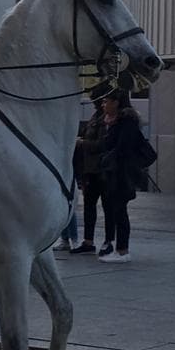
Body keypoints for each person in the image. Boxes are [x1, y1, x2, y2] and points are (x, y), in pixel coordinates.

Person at [97, 88, 146, 264]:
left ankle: (122, 250)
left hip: (122, 172)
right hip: (116, 172)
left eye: (106, 101)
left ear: (116, 102)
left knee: (119, 211)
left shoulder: (126, 121)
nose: (103, 105)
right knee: (116, 210)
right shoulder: (115, 121)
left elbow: (120, 147)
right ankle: (120, 248)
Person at [69, 97, 107, 254]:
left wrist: (82, 143)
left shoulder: (106, 120)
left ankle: (109, 241)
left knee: (108, 208)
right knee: (89, 206)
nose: (100, 104)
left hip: (101, 169)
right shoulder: (96, 116)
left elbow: (101, 144)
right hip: (90, 169)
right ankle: (88, 240)